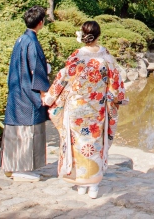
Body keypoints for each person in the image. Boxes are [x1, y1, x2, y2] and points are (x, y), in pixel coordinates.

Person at [43, 21, 127, 198]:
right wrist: (117, 99)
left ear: (83, 35)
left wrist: (50, 97)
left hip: (77, 108)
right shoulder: (105, 57)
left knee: (78, 144)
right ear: (98, 36)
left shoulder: (77, 56)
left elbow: (63, 77)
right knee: (94, 145)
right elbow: (115, 82)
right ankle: (93, 185)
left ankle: (80, 182)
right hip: (97, 109)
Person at [0, 5, 52, 182]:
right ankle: (23, 168)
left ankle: (11, 165)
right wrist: (44, 92)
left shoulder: (21, 39)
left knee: (16, 130)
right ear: (41, 22)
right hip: (28, 93)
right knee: (28, 130)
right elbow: (36, 70)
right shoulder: (32, 42)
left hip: (17, 90)